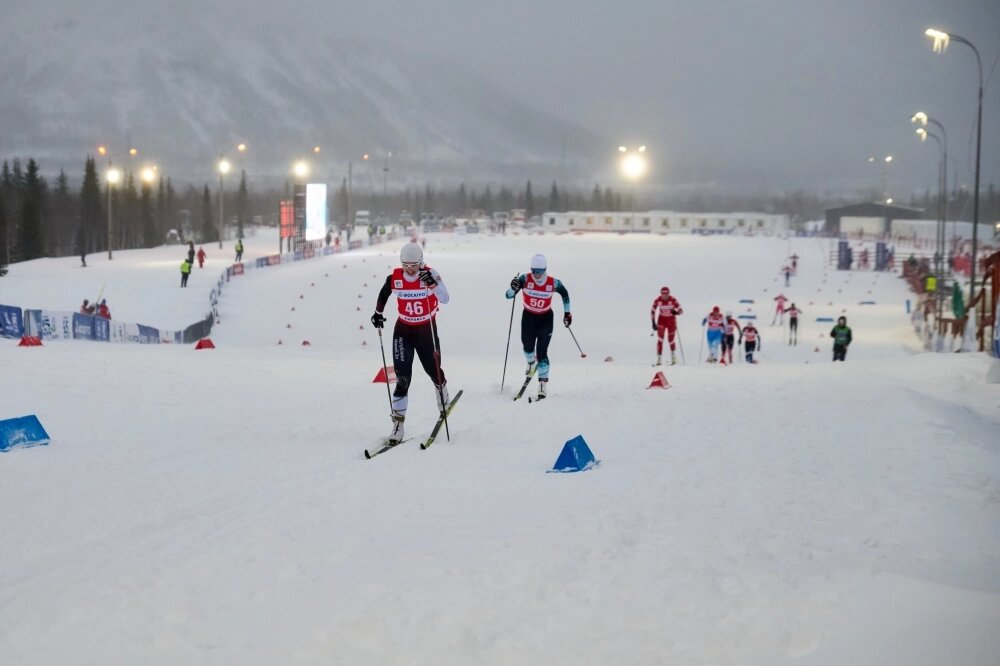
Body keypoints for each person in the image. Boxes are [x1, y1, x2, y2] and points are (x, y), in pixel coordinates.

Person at [370, 242, 450, 444]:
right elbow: (384, 292)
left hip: (426, 330)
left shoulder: (430, 274)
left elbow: (446, 298)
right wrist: (378, 314)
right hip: (403, 331)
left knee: (434, 370)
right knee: (403, 378)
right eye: (406, 264)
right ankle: (398, 425)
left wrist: (433, 284)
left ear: (421, 262)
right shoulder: (396, 278)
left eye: (414, 265)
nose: (410, 269)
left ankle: (442, 394)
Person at [506, 253, 571, 399]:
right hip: (528, 317)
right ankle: (530, 363)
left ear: (545, 270)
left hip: (545, 319)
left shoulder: (553, 283)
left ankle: (542, 384)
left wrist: (567, 314)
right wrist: (513, 287)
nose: (536, 275)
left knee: (542, 352)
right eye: (533, 270)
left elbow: (565, 295)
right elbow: (508, 295)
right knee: (527, 347)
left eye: (539, 271)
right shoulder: (524, 279)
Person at [650, 286, 683, 365]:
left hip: (671, 321)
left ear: (669, 294)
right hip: (662, 320)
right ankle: (659, 359)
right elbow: (652, 311)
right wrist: (653, 322)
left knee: (671, 340)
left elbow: (681, 310)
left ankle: (673, 357)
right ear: (661, 294)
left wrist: (676, 312)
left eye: (666, 294)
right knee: (660, 339)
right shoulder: (658, 300)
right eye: (663, 294)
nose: (664, 296)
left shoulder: (672, 300)